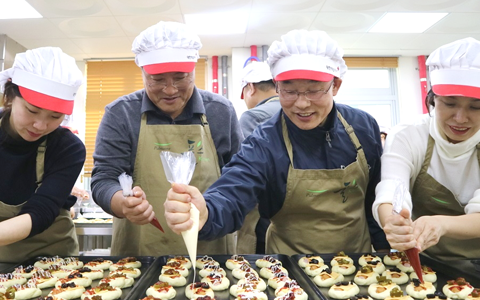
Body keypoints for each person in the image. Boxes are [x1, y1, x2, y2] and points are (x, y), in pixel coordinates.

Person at [165, 29, 389, 255]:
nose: (301, 104)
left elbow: (376, 196)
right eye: (289, 91)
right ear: (276, 86)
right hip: (288, 272)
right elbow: (233, 191)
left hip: (359, 265)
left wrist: (383, 249)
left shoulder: (362, 126)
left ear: (336, 86)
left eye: (313, 91)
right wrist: (207, 212)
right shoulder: (265, 141)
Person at [91, 21, 243, 256]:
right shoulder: (120, 114)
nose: (170, 90)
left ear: (194, 70)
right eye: (158, 79)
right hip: (140, 256)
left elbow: (238, 183)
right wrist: (122, 202)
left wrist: (211, 211)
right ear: (142, 72)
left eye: (181, 77)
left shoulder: (220, 112)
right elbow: (103, 179)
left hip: (210, 254)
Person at [373, 37, 480, 261]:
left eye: (476, 107)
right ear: (432, 100)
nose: (460, 118)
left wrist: (440, 223)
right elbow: (393, 188)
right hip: (426, 263)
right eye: (449, 104)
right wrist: (392, 221)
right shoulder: (409, 135)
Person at [0, 47, 85, 262]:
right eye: (32, 111)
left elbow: (41, 212)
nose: (40, 125)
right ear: (9, 97)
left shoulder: (67, 147)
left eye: (55, 116)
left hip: (54, 266)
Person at [238, 60, 280, 254]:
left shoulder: (253, 117)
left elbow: (247, 171)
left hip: (267, 216)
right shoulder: (301, 111)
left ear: (251, 87)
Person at [239, 61, 281, 137]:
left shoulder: (252, 118)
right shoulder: (295, 109)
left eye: (243, 94)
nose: (244, 100)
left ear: (251, 87)